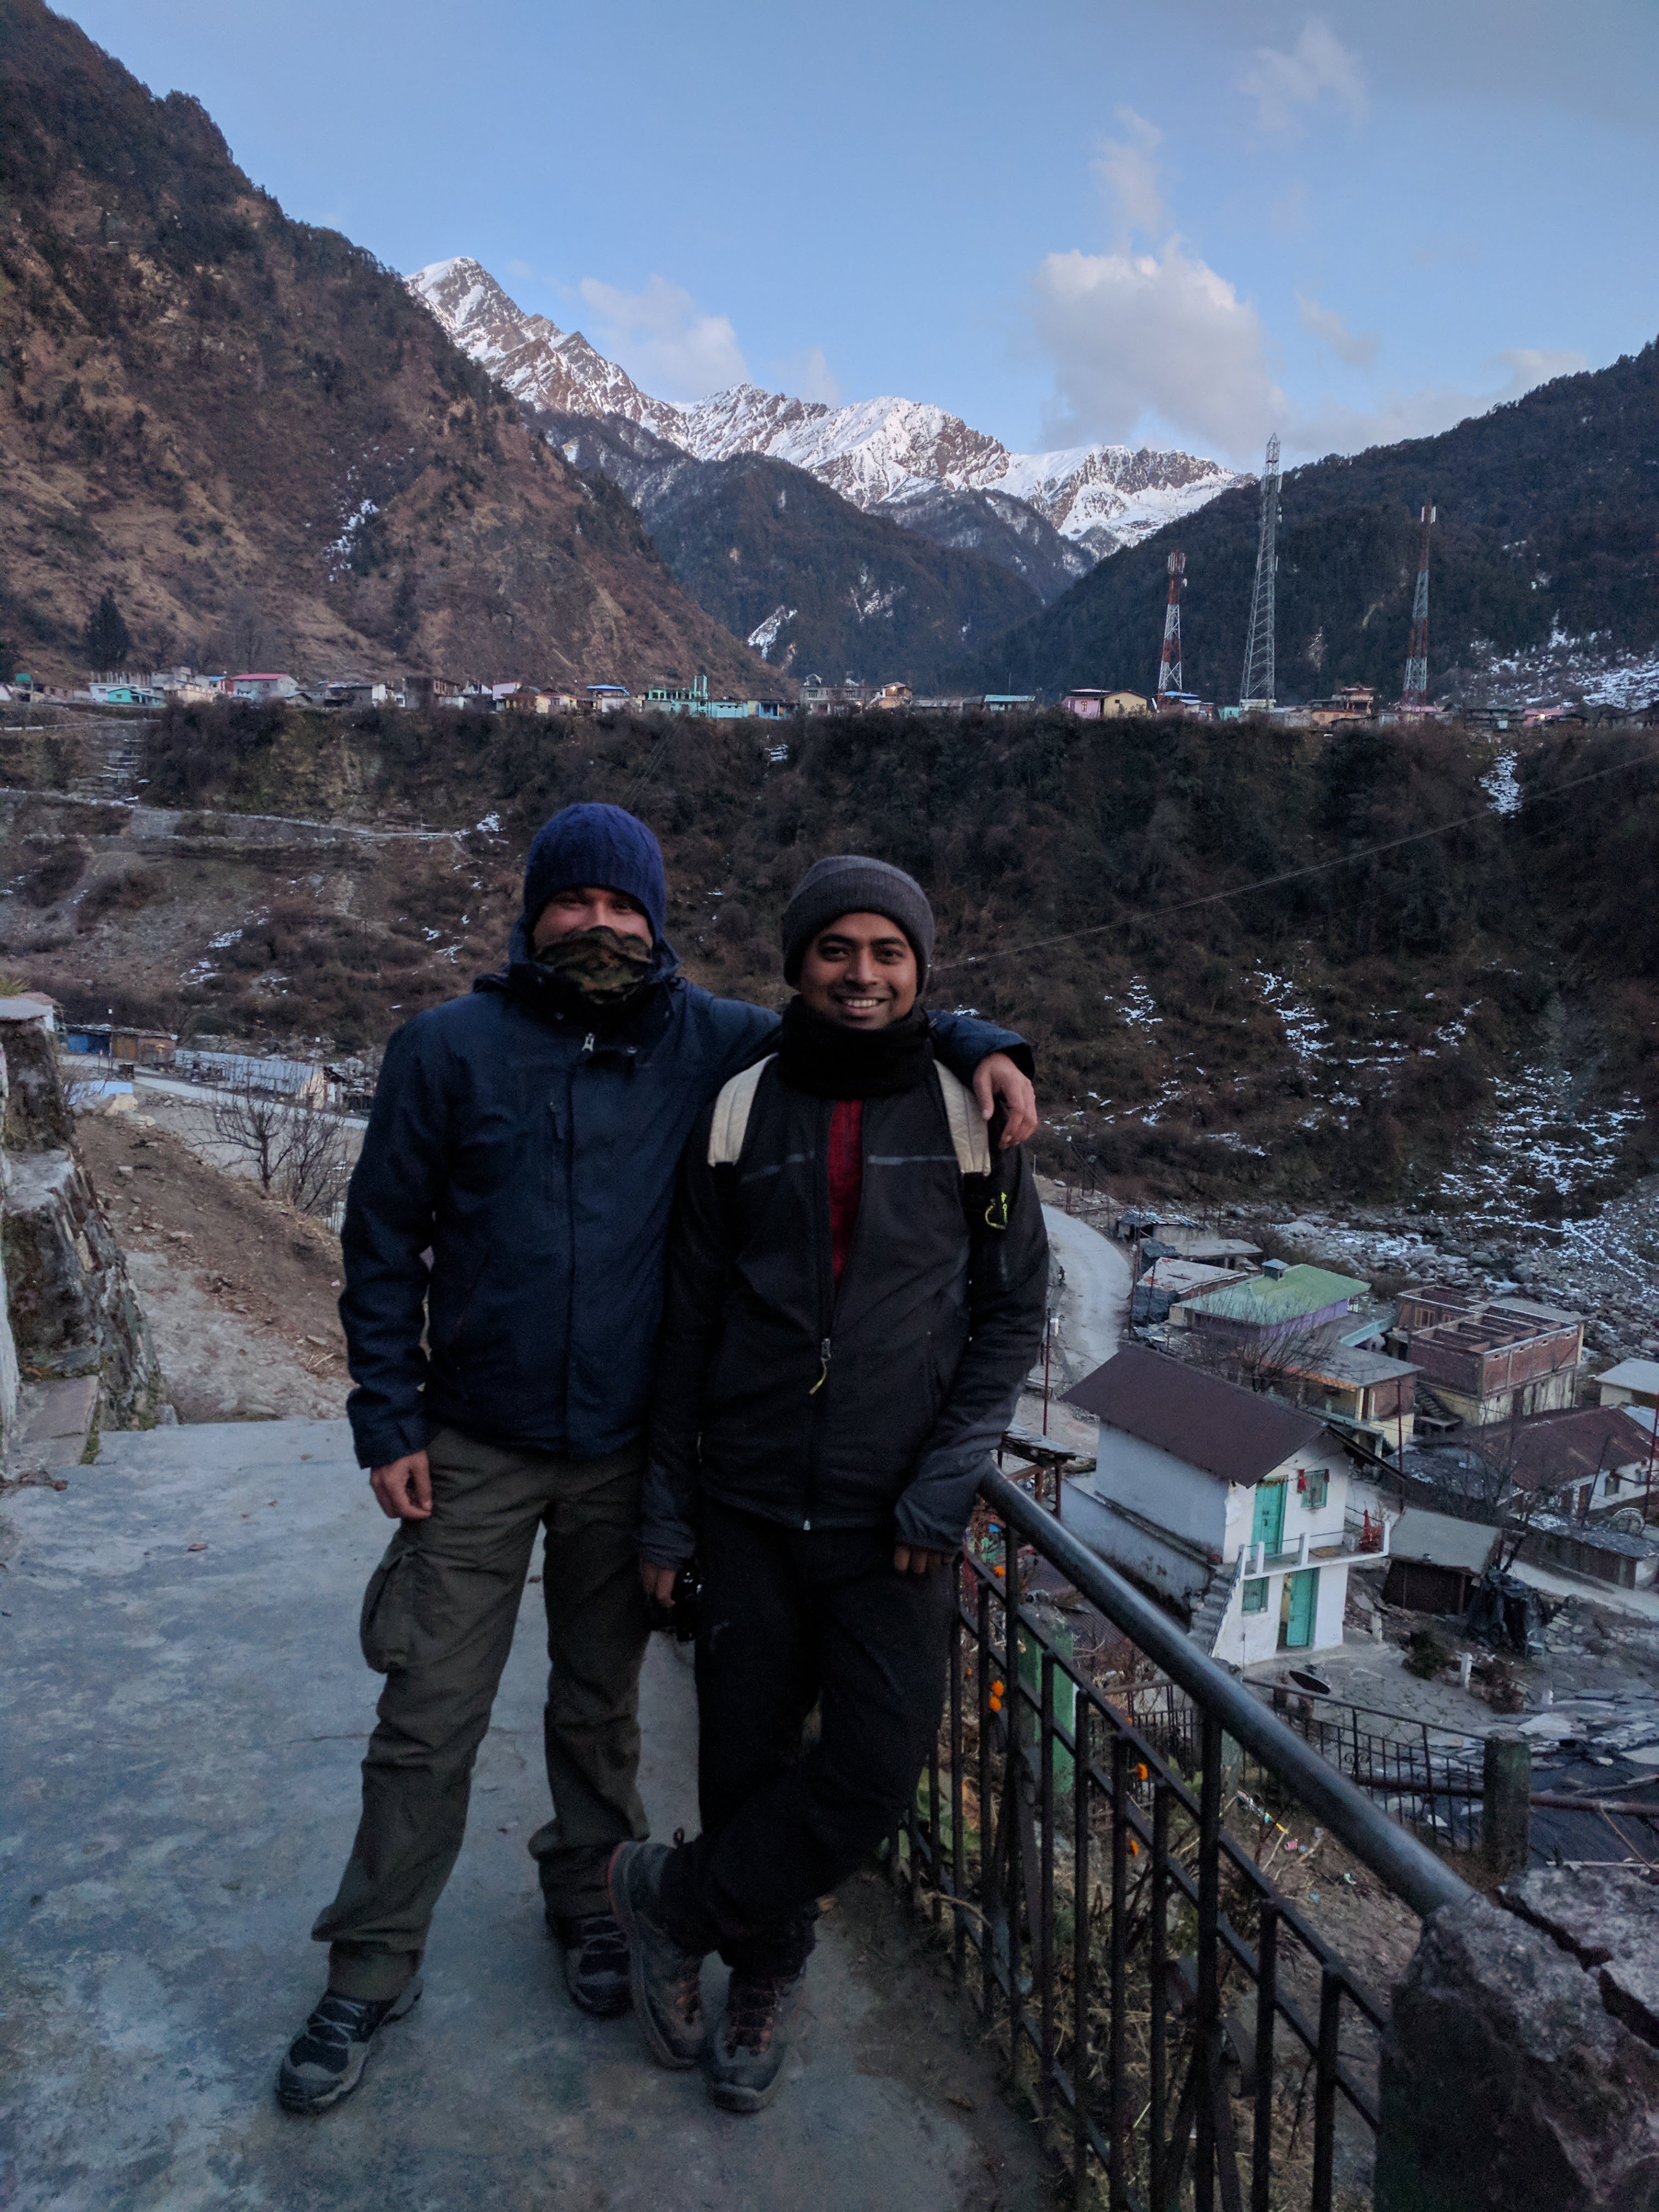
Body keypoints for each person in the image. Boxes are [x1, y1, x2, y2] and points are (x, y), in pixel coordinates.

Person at [276, 805, 1037, 2116]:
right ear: (533, 913)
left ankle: (595, 1904)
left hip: (627, 1451)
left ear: (658, 922)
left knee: (598, 1707)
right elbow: (382, 1239)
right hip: (472, 1442)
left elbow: (861, 1019)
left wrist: (986, 1045)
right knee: (428, 1715)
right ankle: (371, 1965)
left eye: (625, 907)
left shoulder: (714, 1043)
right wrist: (386, 1417)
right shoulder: (445, 1050)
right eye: (575, 901)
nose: (601, 925)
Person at [610, 855, 1048, 2114]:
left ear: (920, 970)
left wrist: (942, 1488)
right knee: (743, 1764)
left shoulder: (974, 1114)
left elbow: (1012, 1318)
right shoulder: (741, 1105)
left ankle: (670, 1899)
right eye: (837, 950)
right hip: (747, 1504)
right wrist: (667, 1515)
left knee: (871, 1773)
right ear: (797, 964)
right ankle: (764, 1971)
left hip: (891, 1518)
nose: (863, 976)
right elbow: (689, 1324)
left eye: (888, 953)